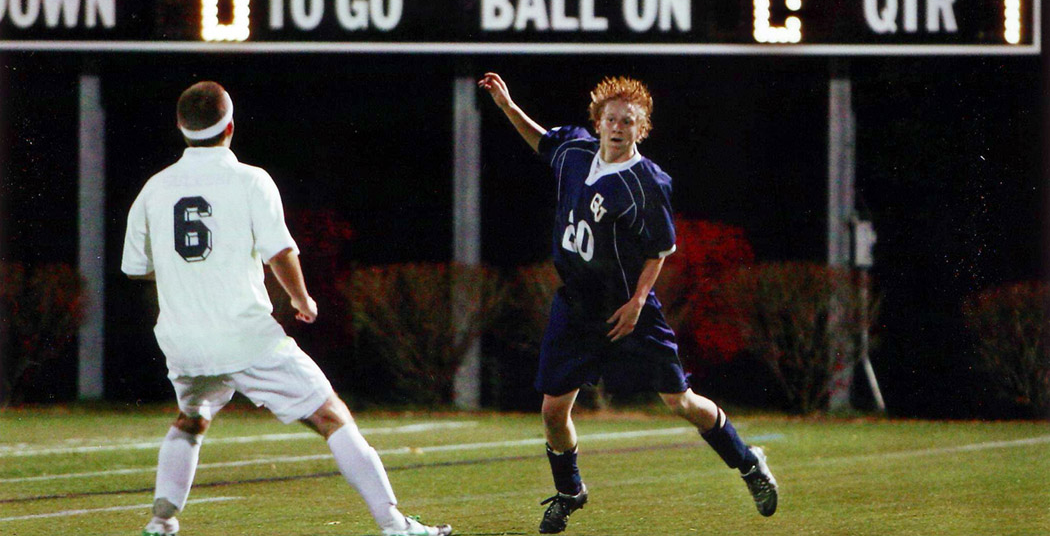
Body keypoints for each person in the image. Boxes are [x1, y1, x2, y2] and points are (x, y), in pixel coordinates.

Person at [122, 81, 451, 536]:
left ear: (180, 127)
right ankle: (395, 524)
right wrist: (301, 299)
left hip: (182, 339)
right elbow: (280, 252)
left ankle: (161, 521)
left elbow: (135, 267)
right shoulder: (251, 179)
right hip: (244, 335)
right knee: (331, 415)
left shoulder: (154, 188)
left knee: (192, 418)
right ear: (230, 127)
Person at [478, 72, 778, 533]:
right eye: (612, 118)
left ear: (642, 129)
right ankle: (569, 492)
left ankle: (748, 462)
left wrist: (639, 301)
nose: (619, 126)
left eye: (629, 121)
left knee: (680, 402)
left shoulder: (647, 182)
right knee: (553, 411)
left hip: (626, 309)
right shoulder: (576, 153)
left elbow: (660, 250)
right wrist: (507, 106)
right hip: (576, 304)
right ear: (597, 122)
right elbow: (542, 142)